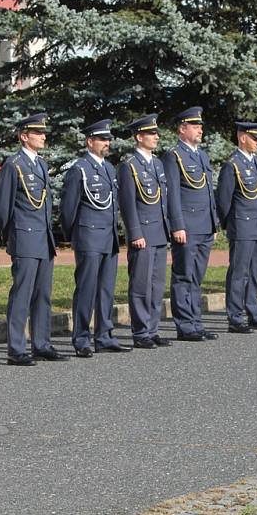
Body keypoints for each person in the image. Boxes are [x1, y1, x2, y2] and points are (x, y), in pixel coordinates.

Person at [0, 114, 68, 365]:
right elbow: (3, 208)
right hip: (24, 238)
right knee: (22, 294)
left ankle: (41, 343)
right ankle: (16, 348)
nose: (44, 136)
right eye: (38, 133)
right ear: (24, 136)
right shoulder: (14, 165)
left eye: (43, 132)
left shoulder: (41, 165)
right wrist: (11, 237)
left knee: (43, 294)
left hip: (43, 239)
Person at [60, 119, 131, 357]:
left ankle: (104, 335)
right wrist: (74, 236)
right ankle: (81, 338)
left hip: (108, 237)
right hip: (88, 236)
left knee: (106, 290)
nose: (107, 143)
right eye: (102, 139)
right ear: (90, 142)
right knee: (87, 289)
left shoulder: (109, 169)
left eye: (108, 139)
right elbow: (68, 209)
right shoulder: (79, 169)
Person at [161, 107, 219, 341]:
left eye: (201, 126)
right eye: (195, 126)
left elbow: (208, 192)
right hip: (187, 226)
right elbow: (172, 194)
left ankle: (196, 322)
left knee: (197, 276)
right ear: (182, 129)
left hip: (204, 225)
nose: (200, 130)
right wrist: (177, 225)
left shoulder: (201, 155)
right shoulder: (174, 156)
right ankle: (185, 325)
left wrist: (214, 224)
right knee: (184, 275)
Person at [117, 114, 172, 349]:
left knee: (157, 283)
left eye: (156, 134)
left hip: (159, 231)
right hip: (143, 233)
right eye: (151, 134)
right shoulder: (129, 166)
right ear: (139, 137)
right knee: (141, 283)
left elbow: (163, 201)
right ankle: (140, 331)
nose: (156, 137)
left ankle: (152, 328)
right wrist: (135, 233)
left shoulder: (157, 164)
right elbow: (128, 204)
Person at [216, 122, 257, 333]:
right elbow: (223, 201)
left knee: (254, 273)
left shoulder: (255, 162)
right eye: (255, 138)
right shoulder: (232, 165)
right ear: (243, 138)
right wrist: (229, 224)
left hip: (256, 226)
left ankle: (255, 312)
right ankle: (235, 317)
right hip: (241, 226)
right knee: (239, 273)